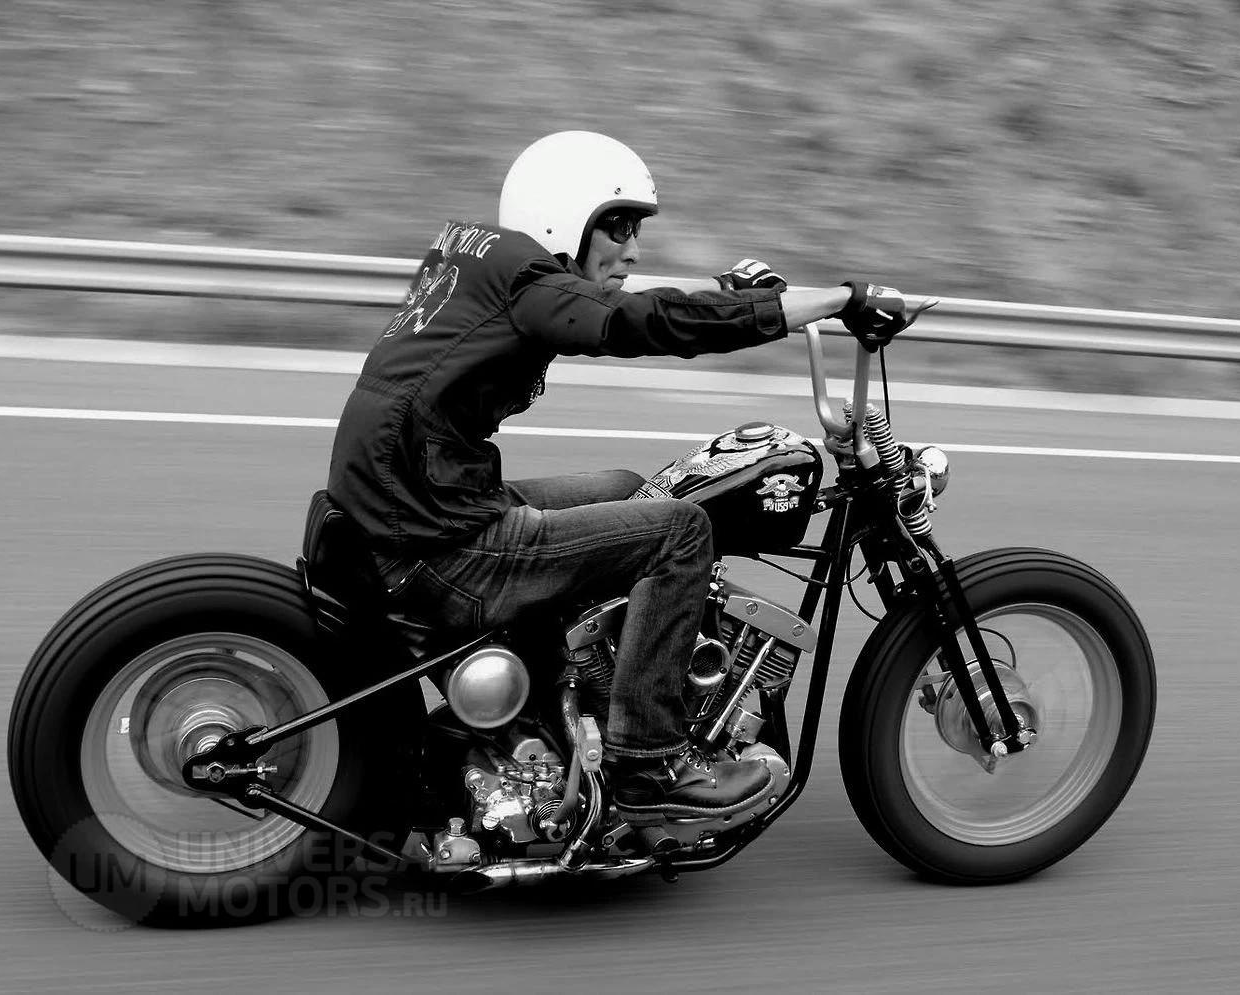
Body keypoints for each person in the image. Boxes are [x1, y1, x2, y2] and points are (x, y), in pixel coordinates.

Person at [327, 131, 915, 826]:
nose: (632, 249)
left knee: (628, 488)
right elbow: (641, 321)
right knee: (681, 531)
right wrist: (835, 299)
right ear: (563, 217)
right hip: (439, 544)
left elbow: (622, 300)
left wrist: (727, 296)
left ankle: (573, 691)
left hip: (409, 506)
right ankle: (649, 761)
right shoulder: (530, 285)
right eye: (619, 226)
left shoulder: (489, 258)